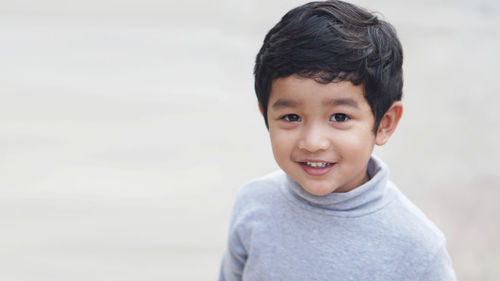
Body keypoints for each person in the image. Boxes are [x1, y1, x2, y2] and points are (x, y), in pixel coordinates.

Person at [218, 1, 457, 280]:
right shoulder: (253, 205)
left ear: (384, 123)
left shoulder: (418, 247)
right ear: (266, 116)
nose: (313, 142)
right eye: (292, 117)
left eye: (340, 117)